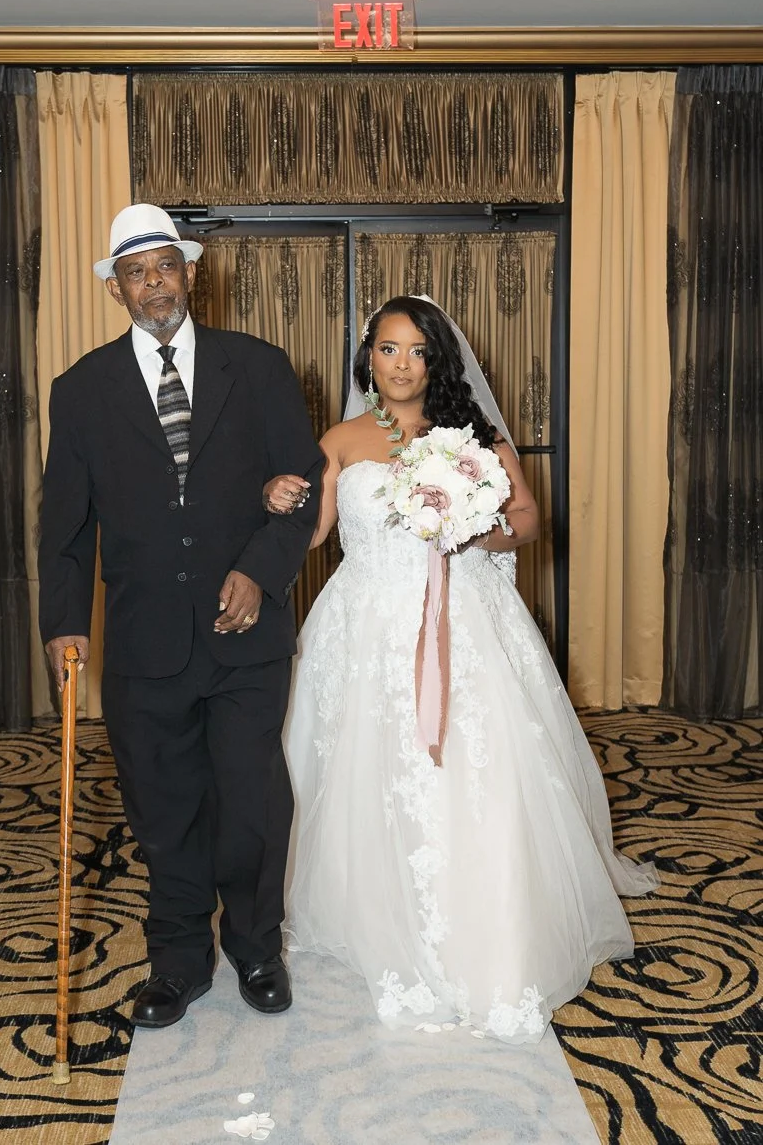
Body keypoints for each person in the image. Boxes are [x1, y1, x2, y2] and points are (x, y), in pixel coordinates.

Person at [266, 295, 657, 1043]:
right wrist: (279, 498)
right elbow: (313, 536)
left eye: (418, 351)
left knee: (477, 763)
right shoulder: (340, 440)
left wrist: (474, 530)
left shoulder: (475, 436)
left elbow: (528, 520)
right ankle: (368, 905)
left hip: (463, 616)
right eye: (388, 349)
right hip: (363, 625)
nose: (402, 365)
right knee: (358, 768)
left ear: (437, 361)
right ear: (368, 358)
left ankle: (487, 909)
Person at [38, 203, 323, 1030]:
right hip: (143, 641)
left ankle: (257, 949)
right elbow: (64, 525)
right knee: (163, 808)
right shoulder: (80, 390)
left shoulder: (259, 367)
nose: (154, 283)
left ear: (191, 273)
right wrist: (64, 623)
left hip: (246, 639)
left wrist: (260, 573)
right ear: (117, 289)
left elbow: (302, 488)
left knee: (251, 804)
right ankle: (177, 960)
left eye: (166, 266)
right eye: (136, 272)